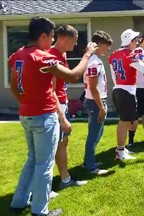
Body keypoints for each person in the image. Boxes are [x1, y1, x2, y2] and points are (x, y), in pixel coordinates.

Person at [9, 16, 97, 216]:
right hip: (44, 116)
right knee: (44, 165)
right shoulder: (43, 57)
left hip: (26, 115)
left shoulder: (18, 54)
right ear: (43, 36)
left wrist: (24, 103)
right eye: (51, 37)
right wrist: (87, 55)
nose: (51, 42)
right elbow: (73, 75)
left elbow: (14, 83)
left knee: (32, 160)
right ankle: (40, 210)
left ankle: (19, 201)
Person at [109, 29, 144, 160]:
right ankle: (120, 152)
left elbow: (114, 76)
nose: (137, 42)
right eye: (136, 40)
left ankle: (122, 149)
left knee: (126, 122)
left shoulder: (114, 54)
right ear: (131, 41)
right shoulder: (130, 54)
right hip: (127, 91)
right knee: (124, 122)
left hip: (119, 88)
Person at [49, 25, 88, 191]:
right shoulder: (52, 56)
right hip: (55, 107)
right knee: (53, 147)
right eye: (75, 40)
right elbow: (50, 89)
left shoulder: (62, 54)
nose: (76, 44)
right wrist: (62, 116)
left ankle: (64, 178)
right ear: (65, 39)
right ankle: (50, 185)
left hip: (62, 103)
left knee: (62, 143)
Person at [82, 30, 113, 174]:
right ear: (99, 44)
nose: (108, 48)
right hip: (95, 102)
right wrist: (101, 107)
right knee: (93, 135)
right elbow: (93, 88)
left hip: (96, 101)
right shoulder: (94, 62)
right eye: (107, 45)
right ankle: (89, 166)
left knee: (97, 134)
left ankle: (89, 160)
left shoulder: (94, 60)